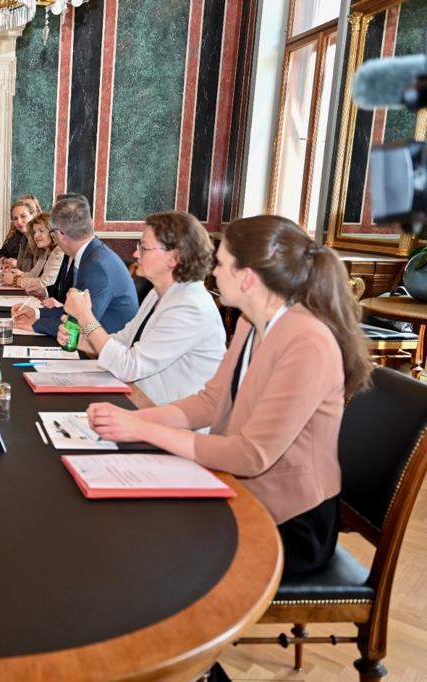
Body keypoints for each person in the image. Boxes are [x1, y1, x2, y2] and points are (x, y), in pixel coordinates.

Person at [87, 215, 371, 576]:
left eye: (221, 264)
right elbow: (210, 401)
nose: (213, 272)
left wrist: (143, 429)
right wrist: (133, 419)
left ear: (247, 277)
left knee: (150, 546)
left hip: (289, 520)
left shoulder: (308, 342)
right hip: (237, 486)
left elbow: (251, 455)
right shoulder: (252, 322)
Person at [57, 211, 225, 405]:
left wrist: (85, 316)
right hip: (141, 399)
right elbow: (123, 341)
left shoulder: (190, 307)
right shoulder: (157, 293)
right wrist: (80, 340)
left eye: (143, 248)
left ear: (174, 257)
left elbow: (128, 367)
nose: (136, 254)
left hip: (170, 413)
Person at [12, 194, 137, 337]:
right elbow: (75, 311)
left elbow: (81, 323)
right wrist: (37, 313)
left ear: (59, 234)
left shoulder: (97, 265)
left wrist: (36, 324)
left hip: (107, 344)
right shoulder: (92, 253)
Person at [0, 212, 63, 292]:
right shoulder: (46, 251)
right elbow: (34, 274)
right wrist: (14, 274)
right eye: (34, 232)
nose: (36, 236)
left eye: (41, 231)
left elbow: (45, 282)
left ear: (53, 232)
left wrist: (15, 280)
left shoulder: (59, 252)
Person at [0, 197, 40, 270]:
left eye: (23, 216)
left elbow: (39, 270)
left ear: (34, 215)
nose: (19, 222)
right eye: (15, 218)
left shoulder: (40, 237)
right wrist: (8, 263)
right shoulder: (24, 238)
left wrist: (17, 264)